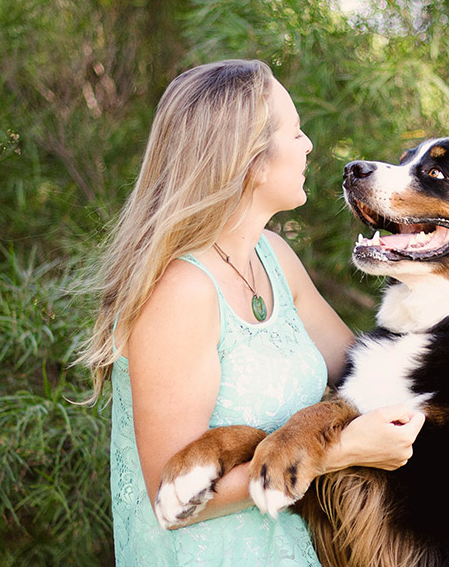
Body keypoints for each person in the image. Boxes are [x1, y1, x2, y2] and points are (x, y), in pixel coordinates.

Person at [75, 59, 426, 566]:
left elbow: (361, 371)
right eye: (296, 132)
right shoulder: (181, 292)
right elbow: (171, 504)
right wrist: (342, 451)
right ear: (251, 160)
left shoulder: (274, 258)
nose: (308, 146)